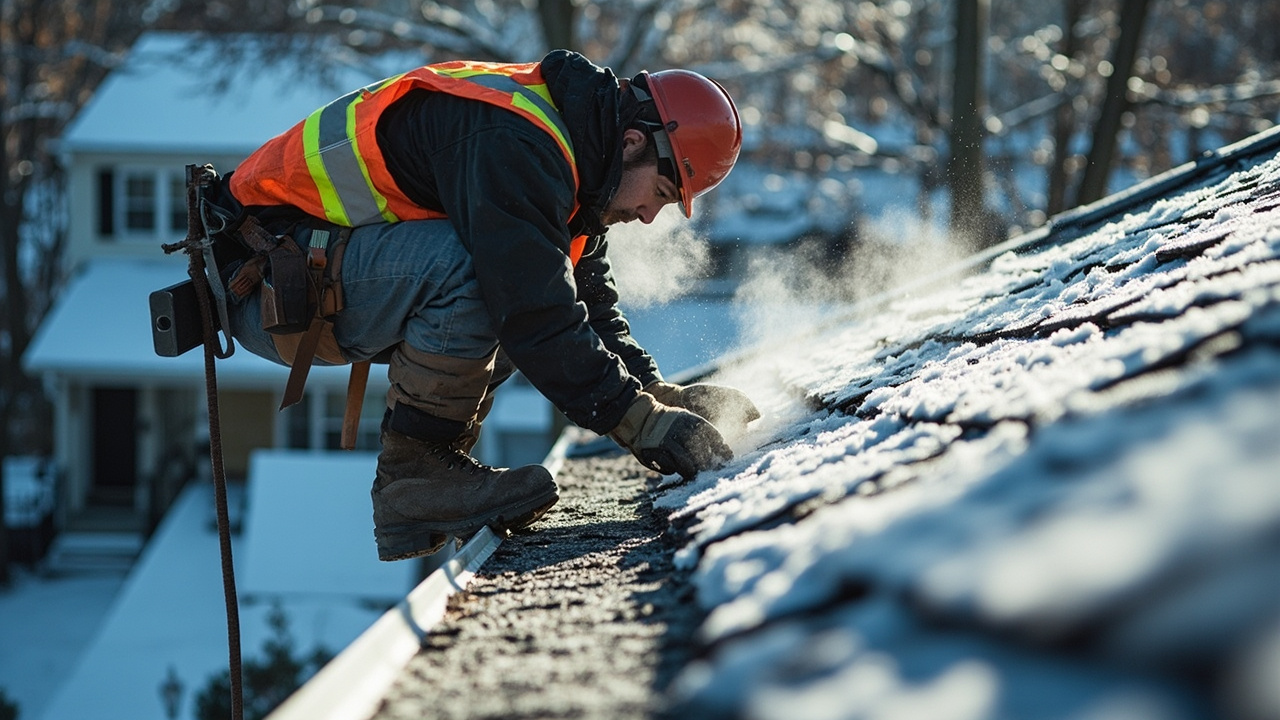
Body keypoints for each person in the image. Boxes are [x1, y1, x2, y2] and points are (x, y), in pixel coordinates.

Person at [205, 49, 761, 562]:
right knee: (486, 270)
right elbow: (534, 310)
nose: (648, 217)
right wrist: (642, 426)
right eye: (661, 195)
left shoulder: (572, 158)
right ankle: (416, 474)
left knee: (514, 274)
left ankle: (433, 469)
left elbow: (580, 300)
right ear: (635, 141)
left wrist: (654, 394)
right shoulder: (515, 143)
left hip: (318, 269)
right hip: (269, 282)